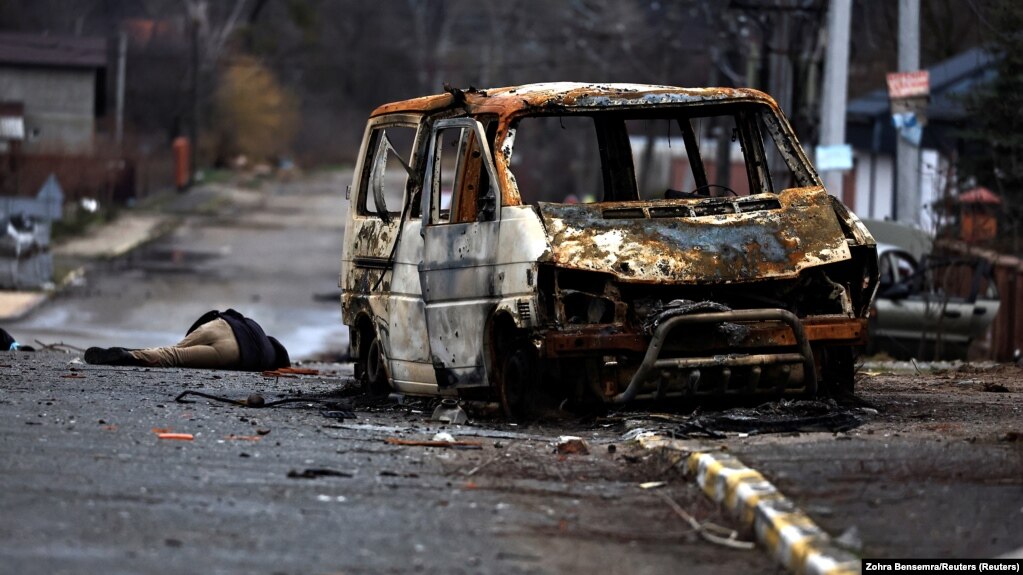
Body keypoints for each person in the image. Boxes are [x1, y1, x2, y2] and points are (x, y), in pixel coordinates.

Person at [84, 309, 290, 371]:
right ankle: (128, 355)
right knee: (175, 357)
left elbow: (218, 313)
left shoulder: (257, 329)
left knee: (172, 350)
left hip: (219, 325)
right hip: (233, 353)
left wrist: (189, 337)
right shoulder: (265, 361)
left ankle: (135, 352)